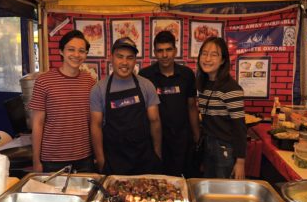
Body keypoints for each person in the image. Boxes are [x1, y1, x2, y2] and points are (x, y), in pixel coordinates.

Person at [90, 37, 162, 175]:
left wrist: (157, 154)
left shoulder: (147, 85)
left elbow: (155, 121)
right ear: (112, 58)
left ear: (135, 60)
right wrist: (100, 160)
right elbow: (96, 126)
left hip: (144, 160)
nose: (124, 62)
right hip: (114, 161)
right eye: (120, 57)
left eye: (130, 57)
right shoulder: (99, 89)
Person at [29, 30, 96, 173]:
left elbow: (92, 121)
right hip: (52, 159)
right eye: (71, 49)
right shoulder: (44, 81)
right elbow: (37, 123)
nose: (76, 55)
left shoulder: (89, 81)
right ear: (61, 51)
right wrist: (36, 160)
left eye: (81, 51)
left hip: (85, 158)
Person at [139, 31, 200, 177]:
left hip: (182, 140)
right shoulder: (145, 75)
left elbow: (192, 106)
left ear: (175, 51)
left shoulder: (187, 74)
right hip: (156, 141)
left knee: (183, 180)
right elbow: (141, 111)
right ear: (154, 52)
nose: (164, 55)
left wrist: (197, 136)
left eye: (168, 49)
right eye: (160, 50)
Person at [197, 36, 247, 179]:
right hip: (209, 145)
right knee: (211, 190)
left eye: (214, 55)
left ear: (223, 60)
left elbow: (240, 127)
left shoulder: (231, 88)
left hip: (225, 149)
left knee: (225, 193)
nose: (207, 59)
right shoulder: (204, 84)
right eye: (204, 53)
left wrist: (240, 162)